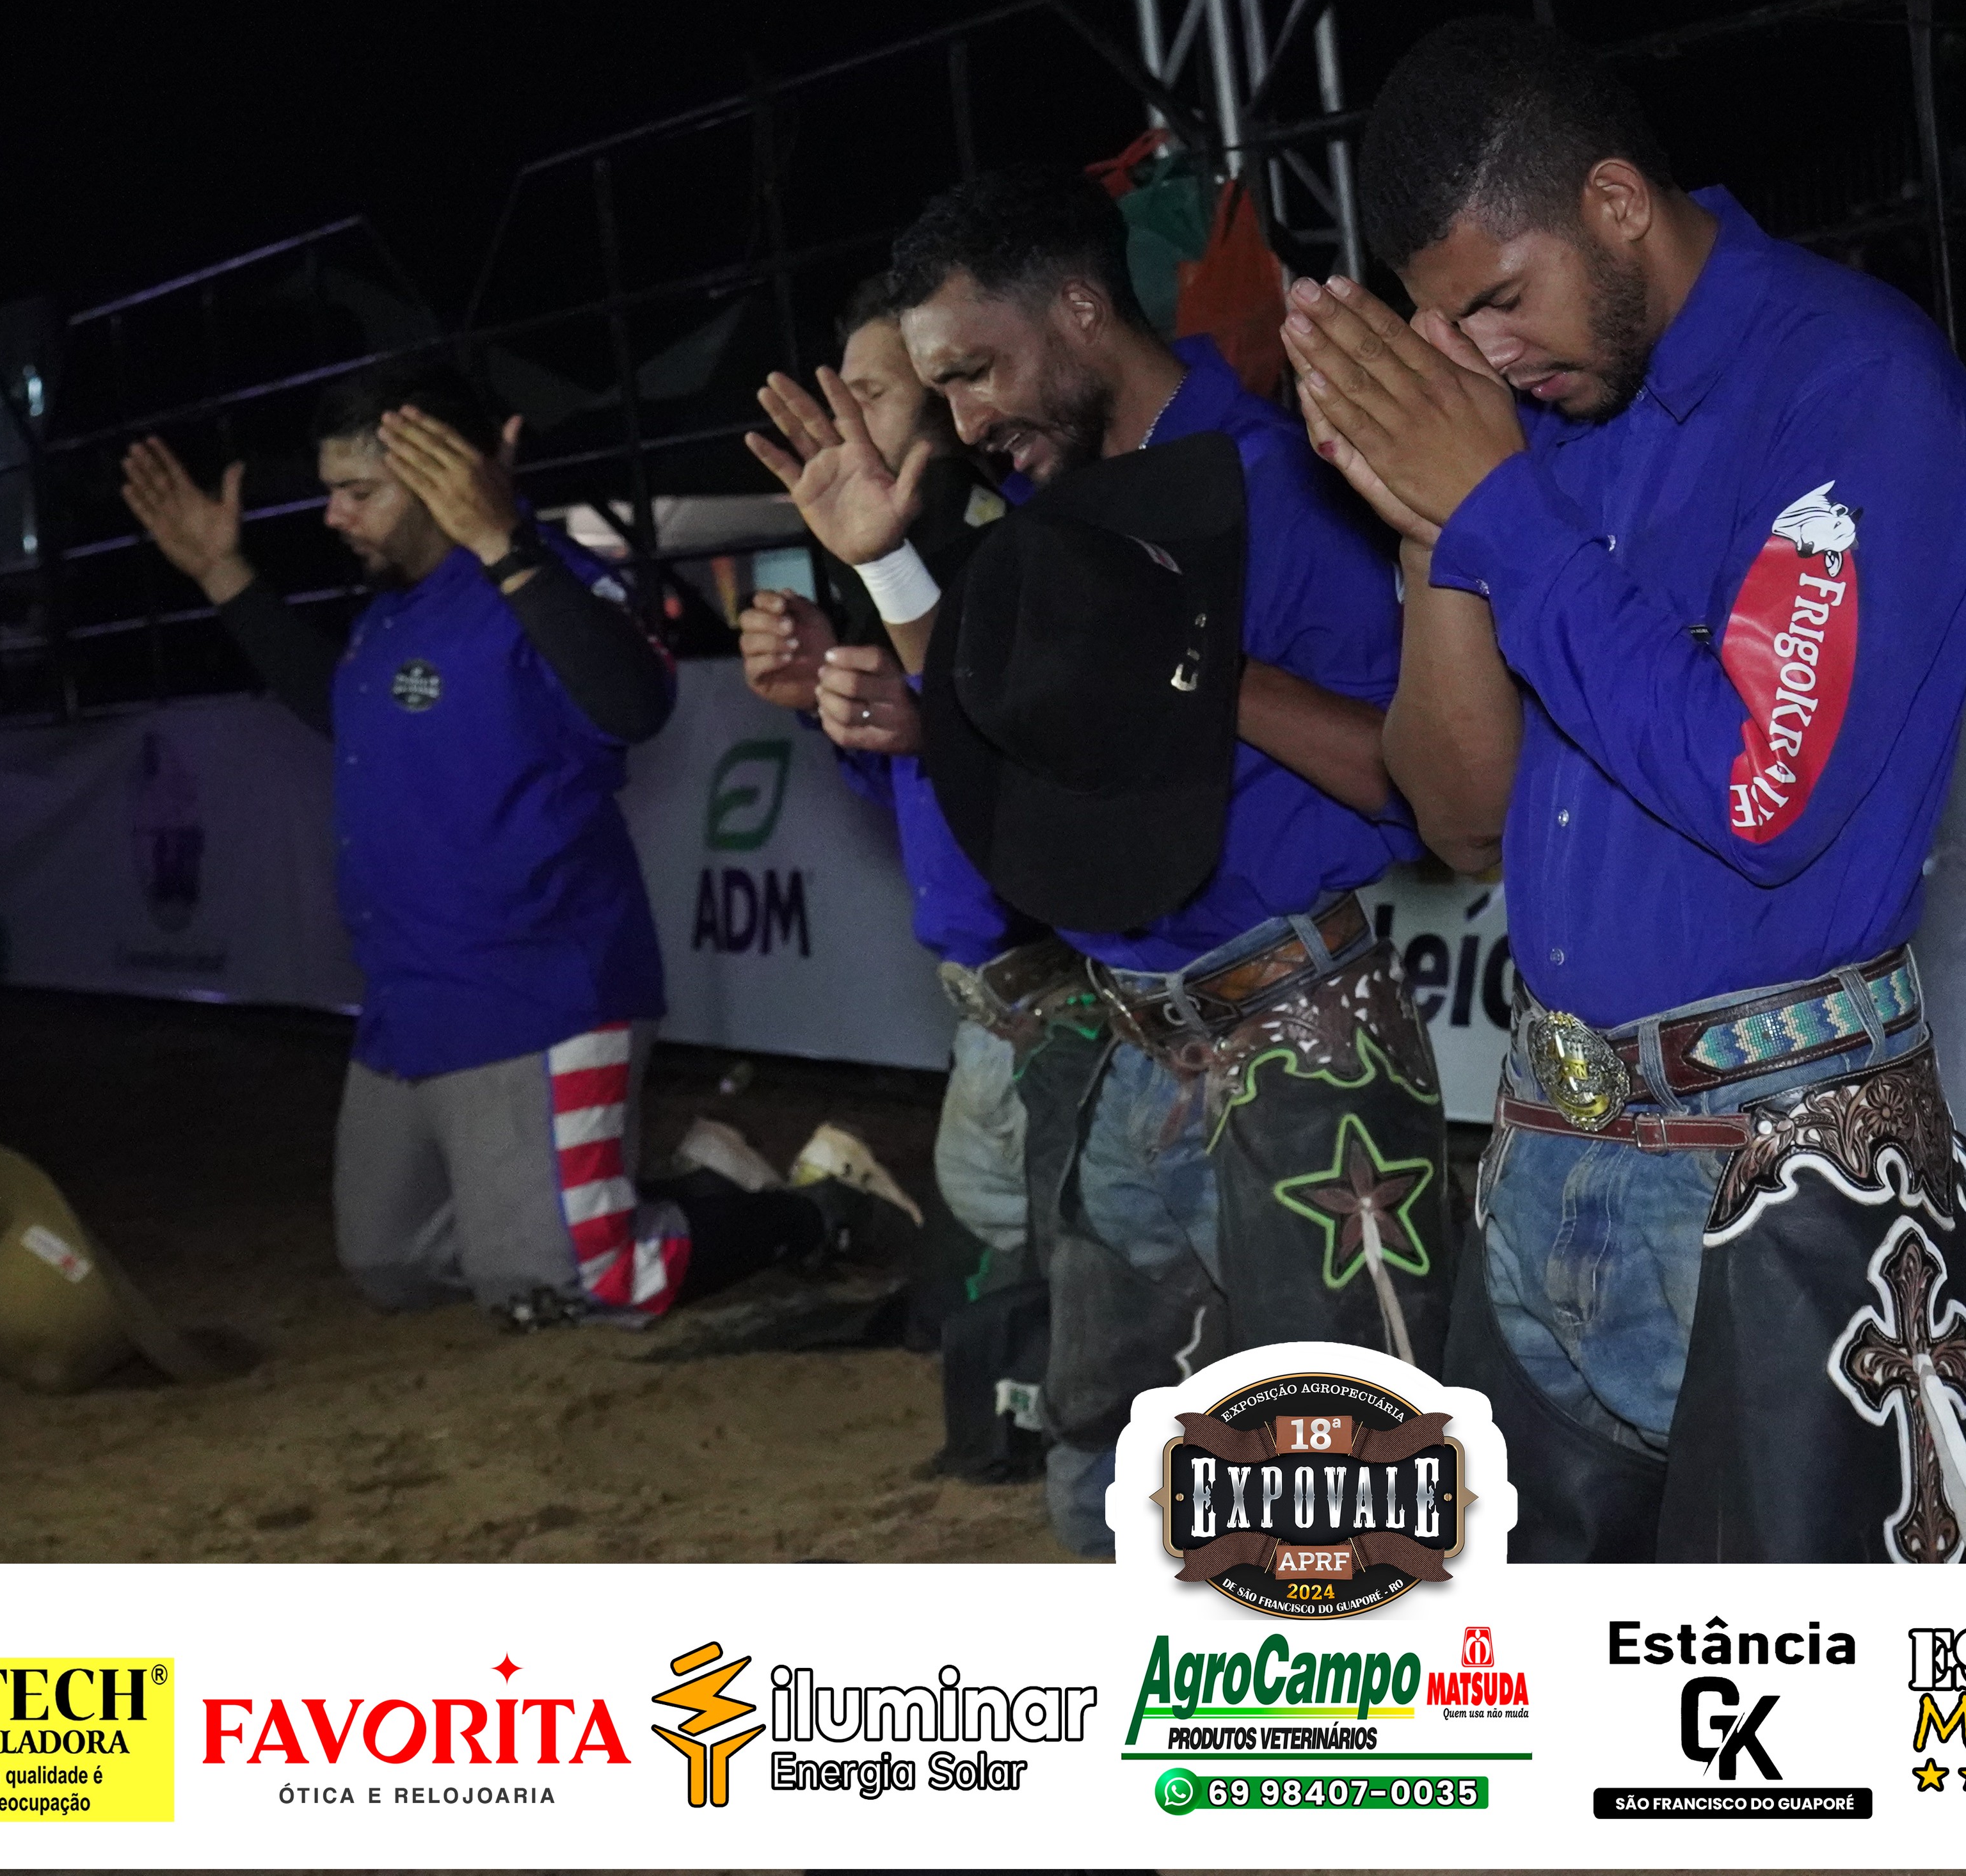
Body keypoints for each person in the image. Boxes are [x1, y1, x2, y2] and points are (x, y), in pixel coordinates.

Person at [1286, 15, 1966, 1564]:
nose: (1489, 356)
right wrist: (1429, 532)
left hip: (1780, 1167)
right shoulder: (1530, 439)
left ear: (1614, 203)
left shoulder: (1855, 384)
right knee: (1522, 1672)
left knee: (1794, 1695)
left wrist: (1503, 516)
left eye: (1502, 299)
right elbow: (1457, 822)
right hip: (1540, 1151)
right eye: (1451, 326)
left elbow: (1760, 790)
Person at [749, 163, 1444, 1555]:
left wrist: (1191, 659)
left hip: (1303, 1058)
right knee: (1103, 1472)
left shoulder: (1277, 484)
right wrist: (886, 569)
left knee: (1336, 1492)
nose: (964, 421)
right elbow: (997, 746)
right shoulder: (1057, 502)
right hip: (1120, 1049)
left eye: (975, 372)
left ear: (1079, 308)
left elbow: (1413, 781)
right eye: (942, 391)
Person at [118, 362, 855, 1332]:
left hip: (538, 991)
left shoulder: (542, 576)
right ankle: (674, 1188)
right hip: (411, 1002)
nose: (335, 516)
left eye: (360, 492)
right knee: (392, 1262)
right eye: (333, 491)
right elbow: (342, 707)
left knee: (576, 1284)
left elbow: (634, 703)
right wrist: (224, 576)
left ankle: (812, 1213)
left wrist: (504, 541)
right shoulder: (392, 611)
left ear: (449, 476)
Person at [735, 273, 1076, 1278]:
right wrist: (826, 698)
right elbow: (906, 787)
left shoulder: (1020, 545)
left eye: (873, 395)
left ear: (947, 401)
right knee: (999, 1283)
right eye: (837, 393)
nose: (843, 421)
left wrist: (929, 725)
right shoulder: (894, 561)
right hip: (986, 1003)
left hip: (1067, 989)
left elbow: (1073, 772)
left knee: (1059, 1289)